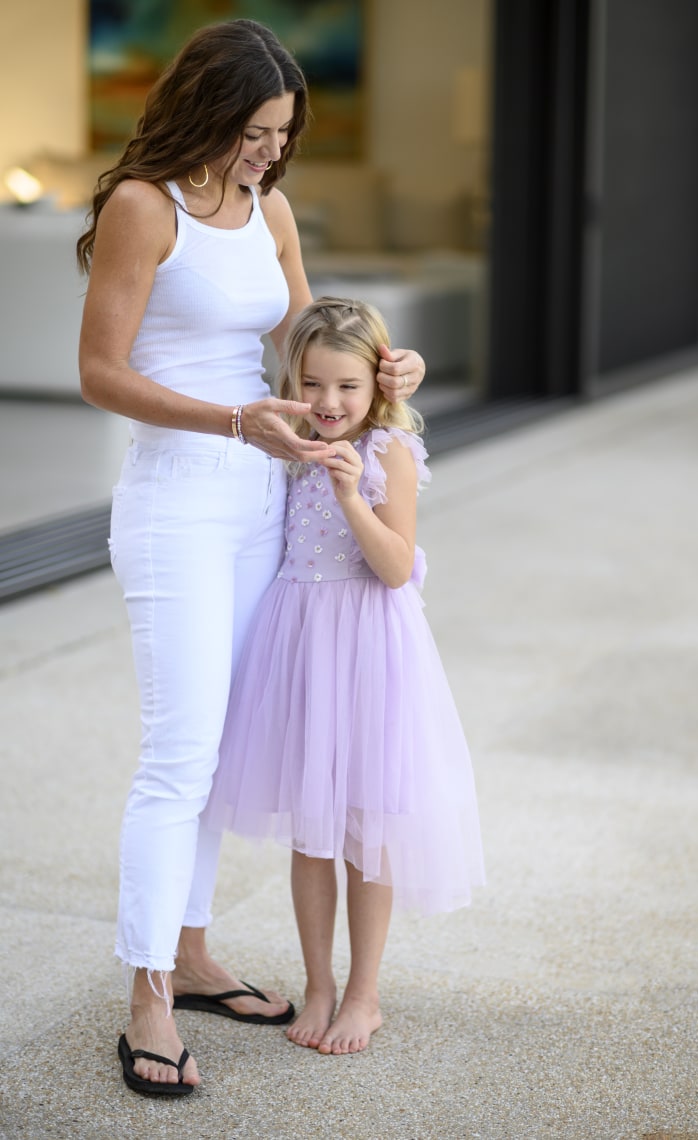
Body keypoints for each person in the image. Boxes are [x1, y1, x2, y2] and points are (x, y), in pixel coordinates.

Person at [76, 20, 425, 1097]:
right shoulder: (146, 206)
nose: (271, 151)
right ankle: (144, 995)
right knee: (179, 754)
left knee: (224, 753)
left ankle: (189, 952)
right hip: (180, 503)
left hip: (262, 504)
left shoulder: (267, 208)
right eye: (256, 131)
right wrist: (234, 423)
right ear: (210, 112)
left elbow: (297, 345)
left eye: (282, 134)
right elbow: (99, 370)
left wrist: (378, 368)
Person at [204, 297, 485, 1056]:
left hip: (368, 650)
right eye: (315, 385)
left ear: (379, 388)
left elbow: (396, 569)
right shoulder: (283, 444)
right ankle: (319, 982)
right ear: (294, 380)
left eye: (347, 388)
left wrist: (349, 493)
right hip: (300, 646)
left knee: (368, 827)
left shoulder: (390, 451)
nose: (330, 404)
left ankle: (364, 993)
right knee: (311, 829)